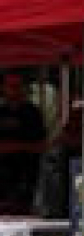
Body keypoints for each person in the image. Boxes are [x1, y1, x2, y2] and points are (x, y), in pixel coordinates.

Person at [0, 73, 47, 213]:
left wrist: (14, 147)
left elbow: (41, 145)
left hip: (26, 178)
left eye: (18, 86)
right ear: (3, 88)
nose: (15, 89)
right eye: (11, 86)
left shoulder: (33, 113)